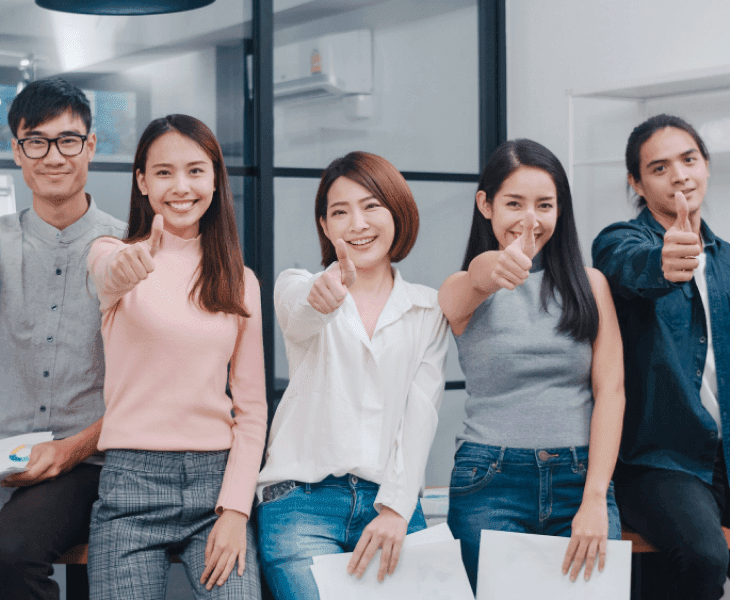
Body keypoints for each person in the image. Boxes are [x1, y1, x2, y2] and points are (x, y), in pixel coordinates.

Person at [591, 114, 730, 600]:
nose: (679, 175)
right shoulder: (619, 242)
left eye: (689, 159)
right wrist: (663, 263)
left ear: (707, 165)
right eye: (658, 167)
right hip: (658, 464)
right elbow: (631, 268)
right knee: (705, 555)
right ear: (636, 181)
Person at [0, 78, 125, 600]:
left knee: (13, 553)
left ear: (91, 146)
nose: (52, 155)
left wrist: (68, 451)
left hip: (87, 457)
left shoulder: (127, 245)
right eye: (35, 141)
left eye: (68, 140)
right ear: (17, 150)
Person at [86, 114, 265, 600]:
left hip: (215, 488)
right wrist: (126, 267)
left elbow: (251, 410)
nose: (180, 186)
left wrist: (235, 511)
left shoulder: (240, 279)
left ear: (214, 180)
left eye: (195, 170)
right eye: (163, 172)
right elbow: (107, 275)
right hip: (130, 488)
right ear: (142, 182)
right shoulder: (111, 252)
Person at [256, 151, 450, 600]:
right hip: (301, 505)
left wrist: (397, 510)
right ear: (325, 227)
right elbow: (300, 313)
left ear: (397, 212)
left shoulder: (427, 308)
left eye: (371, 206)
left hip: (392, 504)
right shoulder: (297, 283)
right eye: (340, 212)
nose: (357, 223)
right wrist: (321, 297)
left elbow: (421, 416)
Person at [438, 139, 625, 591]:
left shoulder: (591, 284)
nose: (530, 220)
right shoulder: (463, 286)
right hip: (490, 481)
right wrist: (496, 265)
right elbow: (477, 277)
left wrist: (596, 497)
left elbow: (611, 392)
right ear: (485, 204)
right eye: (514, 204)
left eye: (545, 205)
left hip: (580, 479)